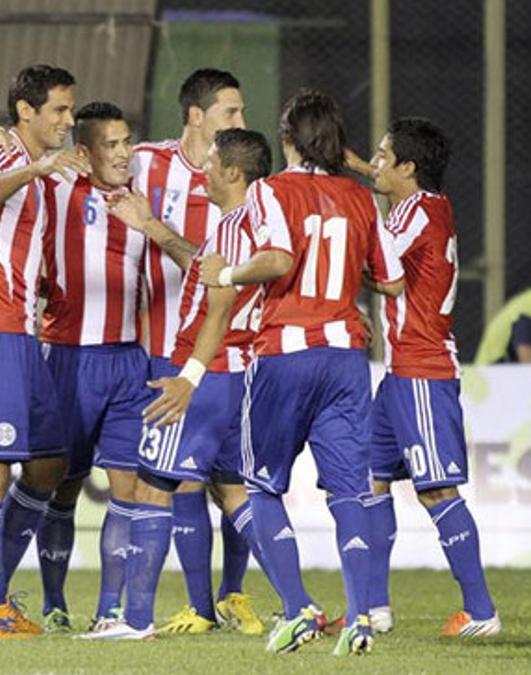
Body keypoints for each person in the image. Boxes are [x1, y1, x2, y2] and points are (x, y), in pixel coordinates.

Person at [199, 89, 404, 655]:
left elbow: (279, 260)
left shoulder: (270, 190)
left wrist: (227, 275)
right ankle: (360, 617)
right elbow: (390, 281)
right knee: (350, 493)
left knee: (261, 485)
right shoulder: (359, 199)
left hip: (286, 353)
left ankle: (297, 610)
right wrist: (341, 277)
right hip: (345, 357)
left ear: (287, 138)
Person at [81, 128, 272, 640]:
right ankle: (296, 603)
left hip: (202, 371)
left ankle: (136, 620)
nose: (203, 169)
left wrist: (188, 375)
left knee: (153, 484)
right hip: (237, 372)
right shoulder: (254, 222)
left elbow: (218, 307)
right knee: (235, 492)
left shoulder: (233, 228)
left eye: (212, 163)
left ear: (233, 172)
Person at [0, 64, 90, 639]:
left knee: (49, 462)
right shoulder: (6, 157)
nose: (68, 120)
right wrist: (35, 164)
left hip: (23, 334)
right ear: (26, 112)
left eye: (70, 109)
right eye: (58, 109)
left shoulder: (35, 168)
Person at [360, 117, 501, 638]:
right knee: (368, 480)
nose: (373, 163)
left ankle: (481, 612)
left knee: (437, 491)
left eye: (380, 156)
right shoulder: (426, 207)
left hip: (423, 370)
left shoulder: (414, 214)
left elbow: (381, 271)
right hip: (399, 373)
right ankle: (374, 607)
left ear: (408, 167)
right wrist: (355, 170)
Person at [28, 101, 150, 633]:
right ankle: (54, 604)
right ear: (85, 151)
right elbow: (16, 162)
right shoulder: (58, 190)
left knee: (127, 488)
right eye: (111, 145)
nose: (124, 153)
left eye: (128, 142)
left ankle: (111, 610)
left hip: (128, 362)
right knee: (63, 486)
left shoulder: (143, 198)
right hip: (68, 358)